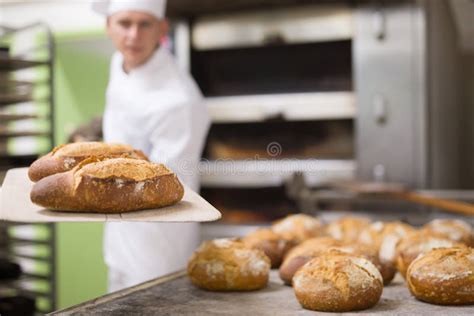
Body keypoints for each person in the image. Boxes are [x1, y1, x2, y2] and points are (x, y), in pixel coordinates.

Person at [91, 0, 210, 292]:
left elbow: (162, 186)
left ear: (162, 28)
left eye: (144, 24)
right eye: (124, 23)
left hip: (158, 241)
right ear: (108, 26)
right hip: (118, 232)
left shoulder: (178, 100)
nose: (133, 36)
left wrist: (91, 183)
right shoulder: (119, 63)